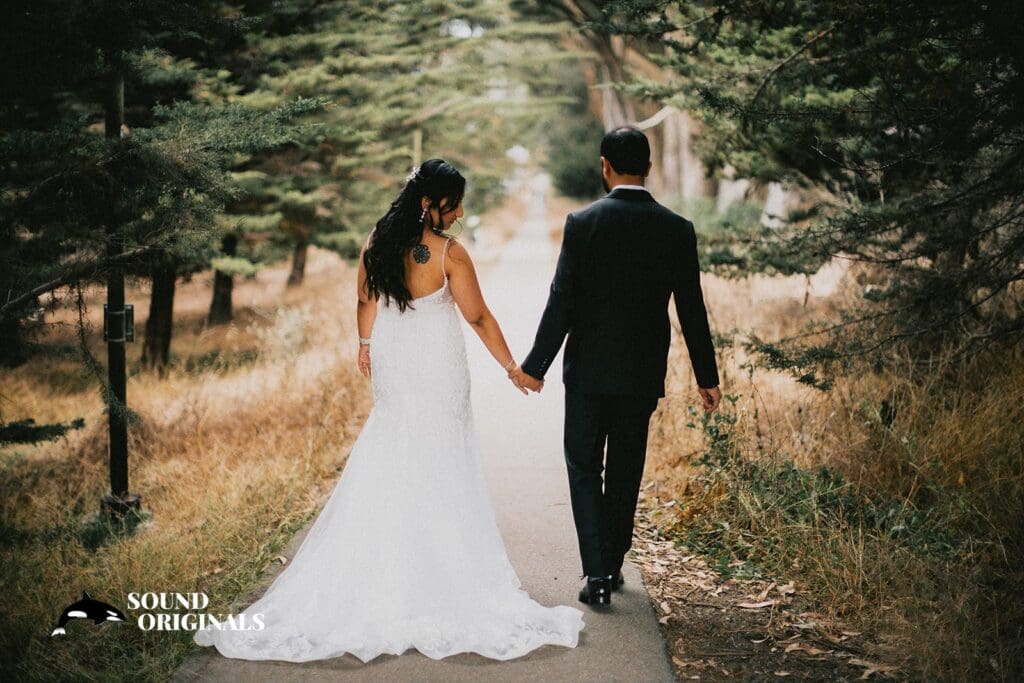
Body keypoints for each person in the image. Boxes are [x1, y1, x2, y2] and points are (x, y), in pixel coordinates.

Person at [193, 158, 584, 662]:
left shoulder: (377, 241)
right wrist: (513, 367)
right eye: (453, 204)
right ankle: (437, 569)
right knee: (440, 455)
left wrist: (365, 344)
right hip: (437, 365)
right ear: (429, 203)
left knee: (395, 446)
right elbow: (479, 317)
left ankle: (394, 562)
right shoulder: (450, 253)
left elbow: (365, 299)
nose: (459, 213)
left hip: (394, 358)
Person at [511, 127, 723, 608]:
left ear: (604, 165)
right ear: (647, 166)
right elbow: (692, 309)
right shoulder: (676, 228)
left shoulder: (583, 223)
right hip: (640, 374)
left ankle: (597, 575)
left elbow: (562, 301)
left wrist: (536, 366)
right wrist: (707, 378)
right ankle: (612, 560)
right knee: (626, 469)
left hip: (587, 373)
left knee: (584, 466)